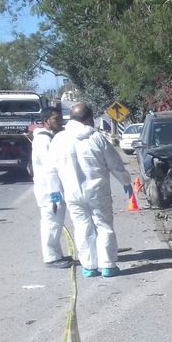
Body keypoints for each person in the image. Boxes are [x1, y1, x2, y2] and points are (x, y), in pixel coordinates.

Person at [49, 102, 133, 278]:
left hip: (72, 193)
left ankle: (89, 266)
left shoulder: (59, 140)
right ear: (88, 119)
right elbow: (115, 164)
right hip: (97, 191)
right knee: (103, 226)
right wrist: (126, 182)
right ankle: (108, 265)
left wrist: (55, 191)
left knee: (82, 228)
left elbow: (52, 170)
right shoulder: (96, 138)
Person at [32, 108, 71, 268]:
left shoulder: (50, 138)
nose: (59, 121)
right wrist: (55, 195)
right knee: (51, 222)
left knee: (55, 222)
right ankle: (52, 257)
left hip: (52, 189)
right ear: (46, 121)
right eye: (55, 119)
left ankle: (56, 254)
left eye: (60, 118)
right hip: (50, 191)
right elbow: (50, 169)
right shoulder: (44, 141)